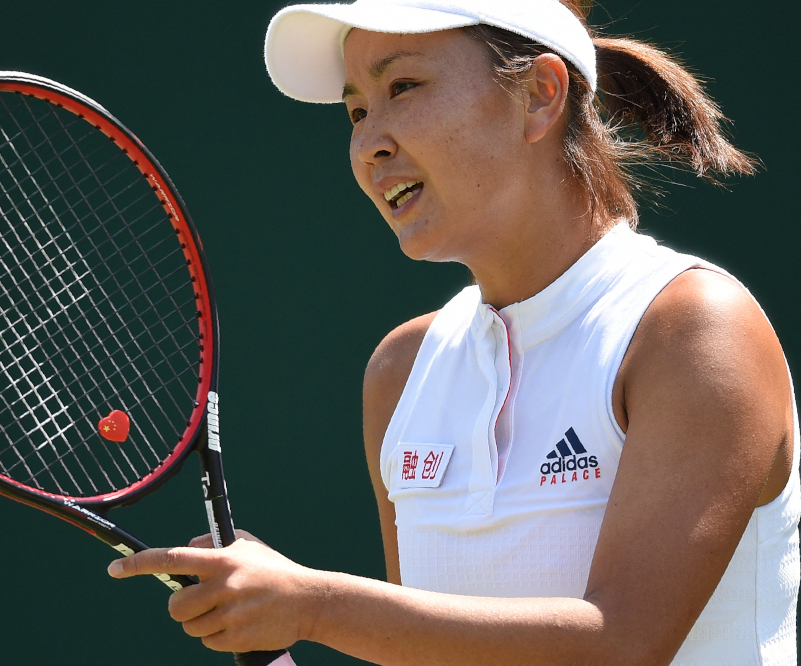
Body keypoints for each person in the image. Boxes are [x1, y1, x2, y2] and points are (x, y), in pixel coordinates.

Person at [107, 0, 800, 663]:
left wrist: (312, 606)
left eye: (403, 87)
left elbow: (622, 647)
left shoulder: (692, 329)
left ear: (540, 96)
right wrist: (288, 608)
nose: (368, 144)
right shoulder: (402, 369)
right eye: (356, 110)